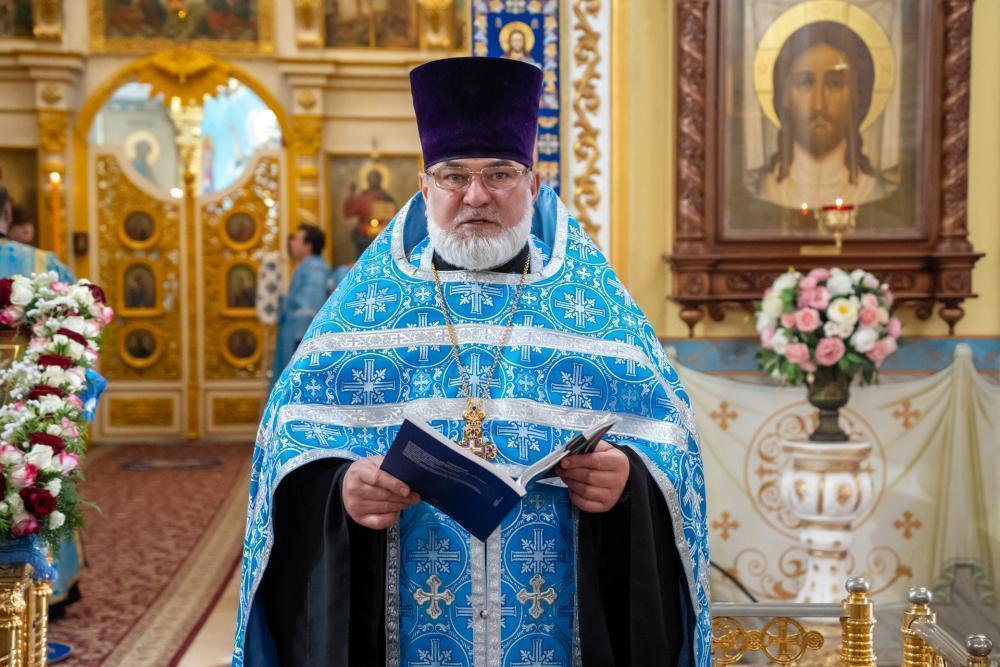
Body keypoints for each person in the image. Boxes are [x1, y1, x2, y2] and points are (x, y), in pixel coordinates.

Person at [236, 57, 710, 666]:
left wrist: (630, 482)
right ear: (424, 186)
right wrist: (340, 491)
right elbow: (287, 448)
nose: (476, 195)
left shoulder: (594, 308)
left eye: (500, 174)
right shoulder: (365, 311)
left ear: (533, 185)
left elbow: (672, 447)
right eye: (453, 175)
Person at [755, 21, 891, 209]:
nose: (819, 105)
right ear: (784, 96)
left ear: (857, 96)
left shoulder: (871, 189)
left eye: (835, 84)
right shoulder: (768, 188)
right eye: (805, 83)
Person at [269, 223, 332, 389]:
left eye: (297, 239)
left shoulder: (314, 268)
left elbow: (308, 307)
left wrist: (301, 344)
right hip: (292, 335)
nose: (292, 243)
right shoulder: (307, 267)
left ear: (308, 246)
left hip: (298, 341)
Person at [343, 166, 396, 258]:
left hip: (382, 235)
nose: (374, 181)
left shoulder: (387, 198)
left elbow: (394, 216)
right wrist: (351, 194)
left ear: (380, 180)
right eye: (371, 178)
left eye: (376, 178)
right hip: (364, 235)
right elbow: (348, 213)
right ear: (367, 180)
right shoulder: (362, 197)